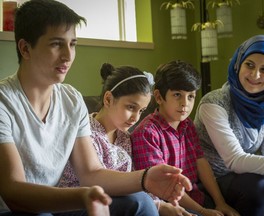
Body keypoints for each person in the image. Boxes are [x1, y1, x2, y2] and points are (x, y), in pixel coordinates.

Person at [0, 1, 193, 215]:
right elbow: (13, 191)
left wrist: (145, 178)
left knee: (140, 202)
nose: (68, 55)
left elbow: (90, 173)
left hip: (62, 206)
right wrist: (84, 195)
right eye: (56, 44)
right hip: (18, 210)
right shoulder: (4, 102)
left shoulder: (71, 99)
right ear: (25, 48)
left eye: (72, 44)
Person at [59, 63, 199, 216]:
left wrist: (161, 206)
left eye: (141, 111)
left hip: (117, 203)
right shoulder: (86, 133)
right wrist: (155, 205)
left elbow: (131, 183)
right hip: (77, 204)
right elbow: (96, 181)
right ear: (108, 99)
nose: (136, 118)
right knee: (140, 202)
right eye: (131, 107)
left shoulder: (124, 138)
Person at [194, 35, 264, 216]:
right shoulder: (213, 103)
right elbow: (235, 160)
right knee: (255, 185)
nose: (255, 75)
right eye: (250, 65)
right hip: (213, 182)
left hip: (246, 177)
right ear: (238, 65)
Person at [131, 60, 239, 216]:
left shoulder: (187, 125)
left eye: (191, 96)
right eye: (177, 95)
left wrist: (220, 202)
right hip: (169, 205)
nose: (185, 104)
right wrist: (202, 211)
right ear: (159, 97)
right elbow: (165, 187)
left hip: (195, 195)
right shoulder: (147, 133)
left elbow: (201, 162)